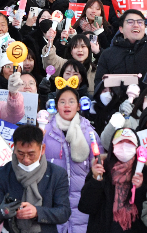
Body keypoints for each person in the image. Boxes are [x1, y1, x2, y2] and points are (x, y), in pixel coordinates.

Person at [0, 124, 72, 233]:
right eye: (20, 153)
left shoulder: (57, 174)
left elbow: (64, 212)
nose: (26, 160)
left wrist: (37, 212)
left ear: (42, 149)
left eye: (31, 154)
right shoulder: (2, 174)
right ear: (14, 148)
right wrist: (1, 213)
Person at [42, 87, 102, 233]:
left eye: (71, 101)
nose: (67, 105)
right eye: (62, 102)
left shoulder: (89, 132)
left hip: (82, 200)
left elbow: (99, 165)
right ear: (56, 106)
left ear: (78, 105)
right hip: (53, 199)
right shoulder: (46, 132)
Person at [78, 128, 147, 233]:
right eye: (120, 142)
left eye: (129, 142)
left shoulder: (146, 173)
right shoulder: (101, 169)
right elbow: (86, 207)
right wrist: (96, 180)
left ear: (137, 147)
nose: (124, 146)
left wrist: (140, 188)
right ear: (112, 146)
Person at [95, 10, 147, 87]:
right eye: (130, 22)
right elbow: (99, 85)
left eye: (140, 22)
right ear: (121, 29)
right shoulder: (108, 54)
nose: (136, 25)